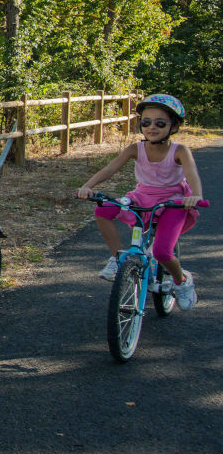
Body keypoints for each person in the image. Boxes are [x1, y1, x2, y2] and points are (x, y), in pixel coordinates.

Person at [75, 94, 203, 310]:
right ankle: (118, 258)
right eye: (146, 122)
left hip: (173, 202)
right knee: (104, 209)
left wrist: (195, 196)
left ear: (174, 126)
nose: (152, 127)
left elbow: (192, 175)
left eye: (160, 123)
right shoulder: (136, 148)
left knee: (162, 252)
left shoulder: (179, 150)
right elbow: (110, 169)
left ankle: (181, 280)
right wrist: (88, 186)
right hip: (141, 197)